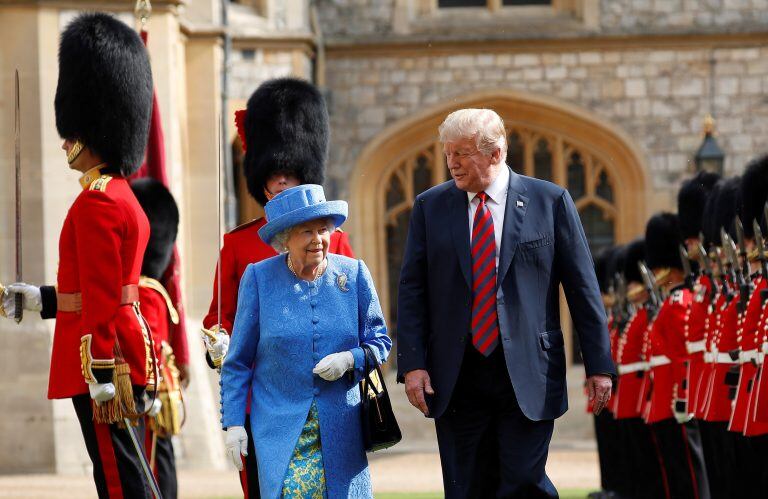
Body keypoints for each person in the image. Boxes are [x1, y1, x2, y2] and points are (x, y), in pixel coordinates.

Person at [397, 108, 615, 498]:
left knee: (523, 485)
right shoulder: (430, 208)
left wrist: (599, 365)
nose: (452, 163)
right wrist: (413, 363)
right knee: (467, 488)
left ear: (496, 153)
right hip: (456, 374)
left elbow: (582, 289)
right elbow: (412, 289)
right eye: (448, 153)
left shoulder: (550, 201)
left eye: (462, 153)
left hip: (529, 370)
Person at [0, 13, 154, 498]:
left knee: (116, 476)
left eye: (71, 132)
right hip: (117, 349)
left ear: (94, 129)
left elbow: (105, 296)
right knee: (121, 471)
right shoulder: (121, 195)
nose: (65, 142)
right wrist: (39, 299)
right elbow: (92, 288)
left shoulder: (99, 202)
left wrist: (102, 370)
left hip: (101, 360)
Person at [200, 77, 354, 497]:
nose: (281, 181)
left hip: (323, 394)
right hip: (262, 396)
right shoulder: (237, 244)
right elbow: (220, 317)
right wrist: (219, 342)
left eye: (289, 172)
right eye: (273, 173)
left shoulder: (334, 240)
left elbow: (354, 312)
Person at [220, 184, 392, 498]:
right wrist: (233, 423)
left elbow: (380, 342)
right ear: (284, 238)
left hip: (342, 429)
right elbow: (238, 361)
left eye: (323, 229)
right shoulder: (258, 278)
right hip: (279, 428)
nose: (318, 240)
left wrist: (350, 359)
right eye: (307, 231)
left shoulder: (353, 274)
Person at [642, 213, 710, 499]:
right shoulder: (670, 302)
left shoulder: (679, 302)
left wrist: (684, 397)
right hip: (663, 400)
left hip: (676, 400)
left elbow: (685, 356)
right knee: (674, 473)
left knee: (690, 473)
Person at [131, 178, 184, 499]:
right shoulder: (153, 289)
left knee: (153, 458)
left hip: (151, 387)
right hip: (156, 384)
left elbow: (146, 342)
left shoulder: (146, 293)